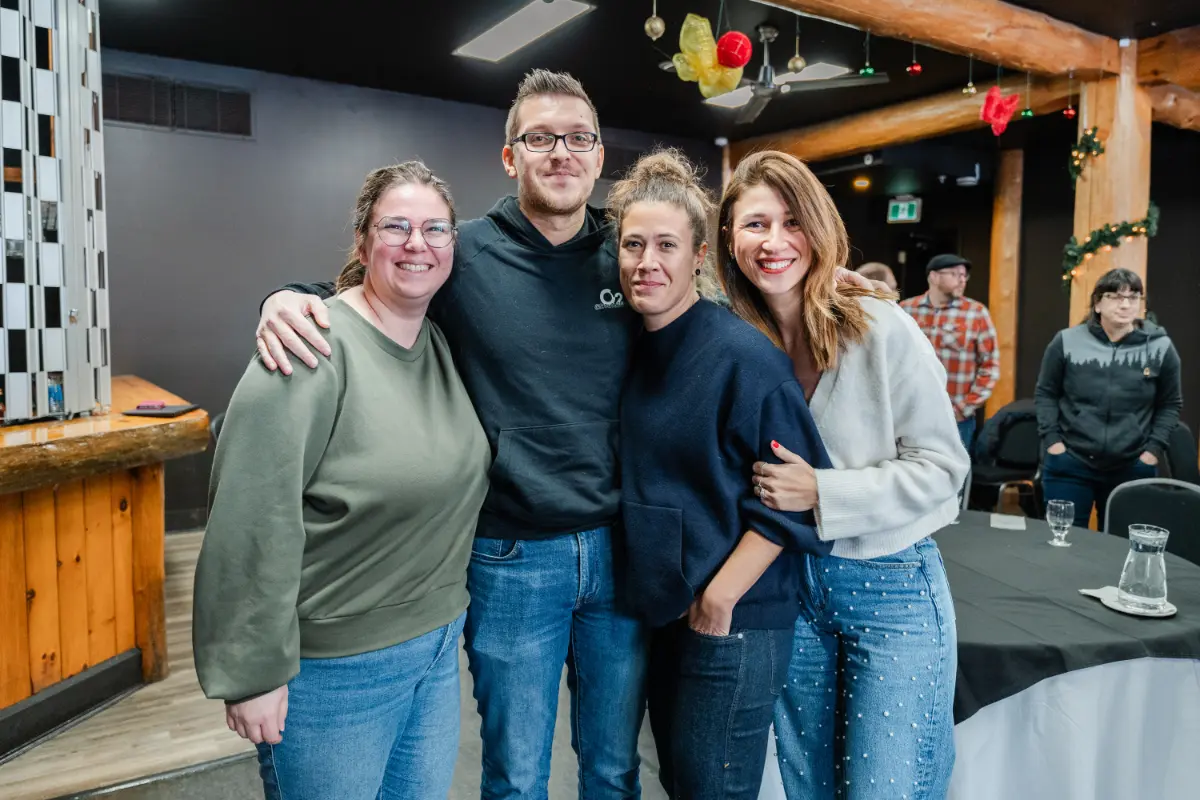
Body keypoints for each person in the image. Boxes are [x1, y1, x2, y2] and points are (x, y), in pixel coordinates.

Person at [250, 70, 650, 798]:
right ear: (510, 157)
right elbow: (368, 284)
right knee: (517, 771)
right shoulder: (462, 252)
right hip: (512, 552)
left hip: (620, 548)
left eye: (579, 139)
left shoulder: (631, 256)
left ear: (598, 157)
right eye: (540, 139)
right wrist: (287, 296)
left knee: (615, 766)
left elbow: (717, 304)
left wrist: (828, 283)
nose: (561, 153)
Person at [193, 162, 491, 799]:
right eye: (396, 227)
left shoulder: (437, 342)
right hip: (333, 669)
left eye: (436, 229)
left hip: (435, 650)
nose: (418, 244)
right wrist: (253, 673)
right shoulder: (307, 350)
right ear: (362, 245)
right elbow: (251, 517)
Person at [718, 151, 970, 799]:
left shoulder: (881, 326)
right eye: (755, 224)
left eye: (793, 222)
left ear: (820, 228)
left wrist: (823, 492)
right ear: (728, 239)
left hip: (892, 591)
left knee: (883, 788)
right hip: (791, 592)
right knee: (810, 787)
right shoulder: (736, 342)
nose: (774, 242)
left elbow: (945, 470)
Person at [610, 149, 832, 799]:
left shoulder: (743, 358)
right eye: (633, 245)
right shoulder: (630, 349)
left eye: (666, 246)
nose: (646, 262)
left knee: (713, 789)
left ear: (699, 255)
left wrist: (721, 597)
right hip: (662, 614)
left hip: (736, 617)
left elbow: (794, 496)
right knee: (682, 784)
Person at [1035, 268, 1182, 530]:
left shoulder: (1161, 347)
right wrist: (1053, 442)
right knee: (1063, 544)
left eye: (1133, 297)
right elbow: (1046, 393)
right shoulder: (1066, 341)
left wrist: (1152, 452)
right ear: (1098, 303)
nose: (1125, 304)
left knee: (1119, 550)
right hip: (1070, 463)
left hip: (1132, 466)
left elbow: (1170, 404)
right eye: (1115, 296)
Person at [899, 253, 999, 453]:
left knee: (954, 480)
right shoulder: (906, 310)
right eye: (955, 274)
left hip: (955, 419)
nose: (962, 280)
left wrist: (963, 409)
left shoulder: (976, 313)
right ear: (934, 277)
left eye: (964, 276)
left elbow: (990, 367)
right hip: (910, 416)